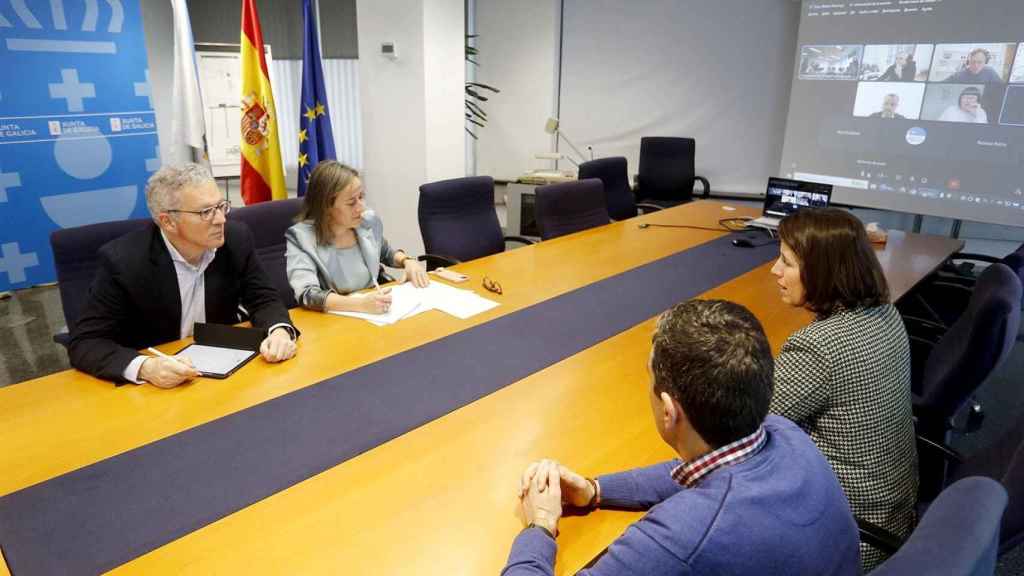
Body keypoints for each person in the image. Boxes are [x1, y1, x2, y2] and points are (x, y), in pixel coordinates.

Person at [503, 300, 860, 575]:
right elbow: (693, 472)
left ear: (669, 411)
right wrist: (595, 490)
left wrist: (541, 526)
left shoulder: (680, 538)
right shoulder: (785, 434)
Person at [769, 208, 917, 571]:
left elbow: (742, 423)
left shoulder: (819, 346)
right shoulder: (885, 312)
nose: (774, 270)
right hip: (894, 513)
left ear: (823, 271)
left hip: (849, 532)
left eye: (786, 262)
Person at [68, 163, 298, 388]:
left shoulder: (235, 239)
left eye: (221, 206)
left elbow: (263, 298)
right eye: (206, 212)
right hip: (153, 388)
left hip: (218, 374)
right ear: (168, 221)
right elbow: (85, 342)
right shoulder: (124, 261)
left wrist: (279, 331)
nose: (221, 219)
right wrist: (146, 368)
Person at [285, 161, 428, 314]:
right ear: (326, 207)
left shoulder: (367, 221)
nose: (361, 207)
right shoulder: (301, 239)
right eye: (352, 202)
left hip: (375, 310)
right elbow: (307, 295)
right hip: (333, 319)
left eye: (361, 197)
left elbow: (386, 253)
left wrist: (408, 261)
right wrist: (360, 305)